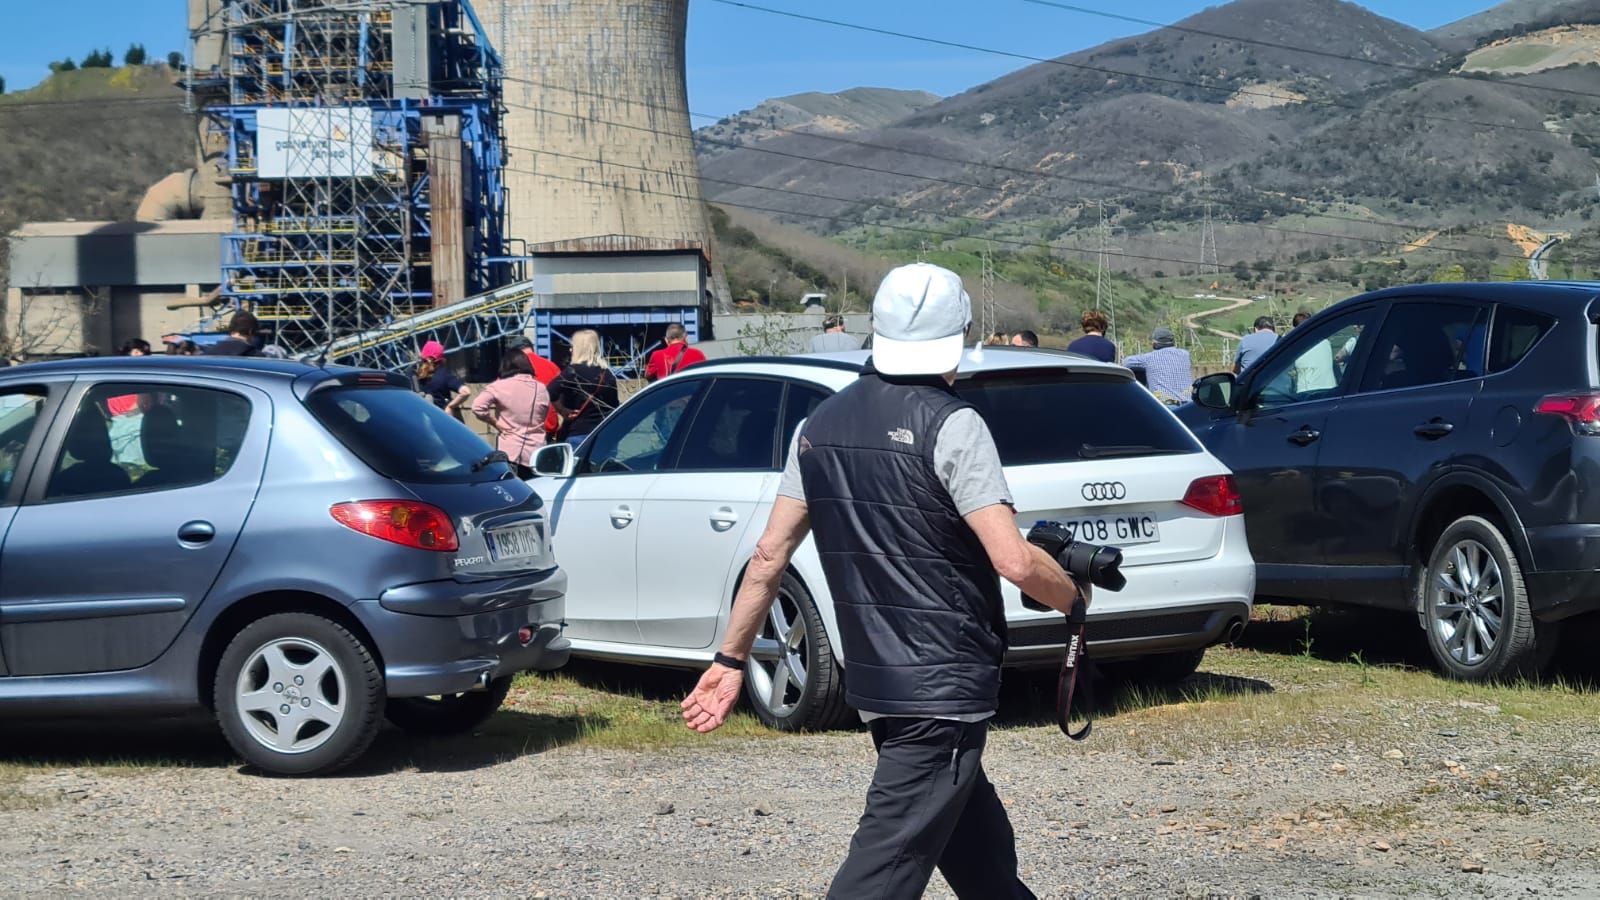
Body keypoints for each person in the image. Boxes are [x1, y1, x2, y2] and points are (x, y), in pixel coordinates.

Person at [680, 262, 1081, 899]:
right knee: (882, 871)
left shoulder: (819, 426)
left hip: (880, 679)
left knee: (980, 855)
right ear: (963, 333)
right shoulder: (955, 424)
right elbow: (1014, 559)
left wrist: (731, 658)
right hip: (942, 685)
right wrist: (1073, 598)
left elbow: (767, 555)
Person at [471, 351, 550, 479]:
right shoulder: (541, 388)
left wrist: (495, 423)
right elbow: (544, 414)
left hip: (511, 452)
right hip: (537, 452)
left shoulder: (498, 386)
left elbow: (477, 407)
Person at [551, 329, 619, 447]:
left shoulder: (572, 372)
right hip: (604, 434)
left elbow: (549, 392)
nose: (570, 349)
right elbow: (614, 405)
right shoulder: (607, 374)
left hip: (579, 433)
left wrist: (562, 410)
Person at [1123, 327, 1194, 406]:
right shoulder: (1185, 354)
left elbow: (1126, 362)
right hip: (1188, 405)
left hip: (1166, 407)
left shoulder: (1149, 358)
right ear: (1173, 341)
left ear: (1155, 343)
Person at [516, 338, 565, 443]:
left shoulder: (511, 368)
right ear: (532, 348)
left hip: (520, 427)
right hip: (548, 425)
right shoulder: (551, 366)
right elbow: (563, 395)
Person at [416, 340, 472, 420]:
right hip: (442, 420)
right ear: (442, 359)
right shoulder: (444, 376)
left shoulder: (415, 376)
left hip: (422, 420)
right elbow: (466, 392)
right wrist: (450, 406)